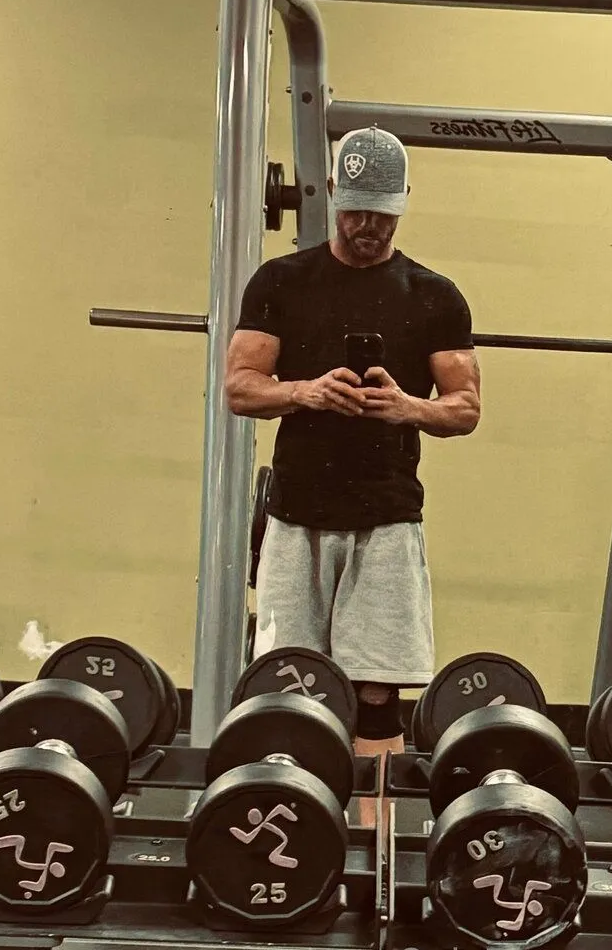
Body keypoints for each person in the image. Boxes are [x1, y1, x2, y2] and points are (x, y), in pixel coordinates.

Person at [224, 126, 480, 822]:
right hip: (296, 515)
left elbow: (465, 407)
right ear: (334, 194)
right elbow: (240, 387)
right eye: (357, 211)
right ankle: (285, 826)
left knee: (376, 692)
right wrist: (303, 391)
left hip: (386, 518)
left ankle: (373, 841)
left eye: (383, 214)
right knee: (289, 688)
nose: (368, 227)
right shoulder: (281, 282)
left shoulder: (435, 296)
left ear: (404, 202)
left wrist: (406, 407)